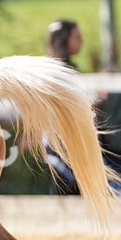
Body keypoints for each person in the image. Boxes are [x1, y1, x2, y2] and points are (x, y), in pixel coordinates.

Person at [44, 20, 82, 194]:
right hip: (56, 139)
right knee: (62, 183)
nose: (81, 41)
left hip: (71, 137)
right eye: (76, 37)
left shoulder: (71, 68)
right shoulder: (52, 69)